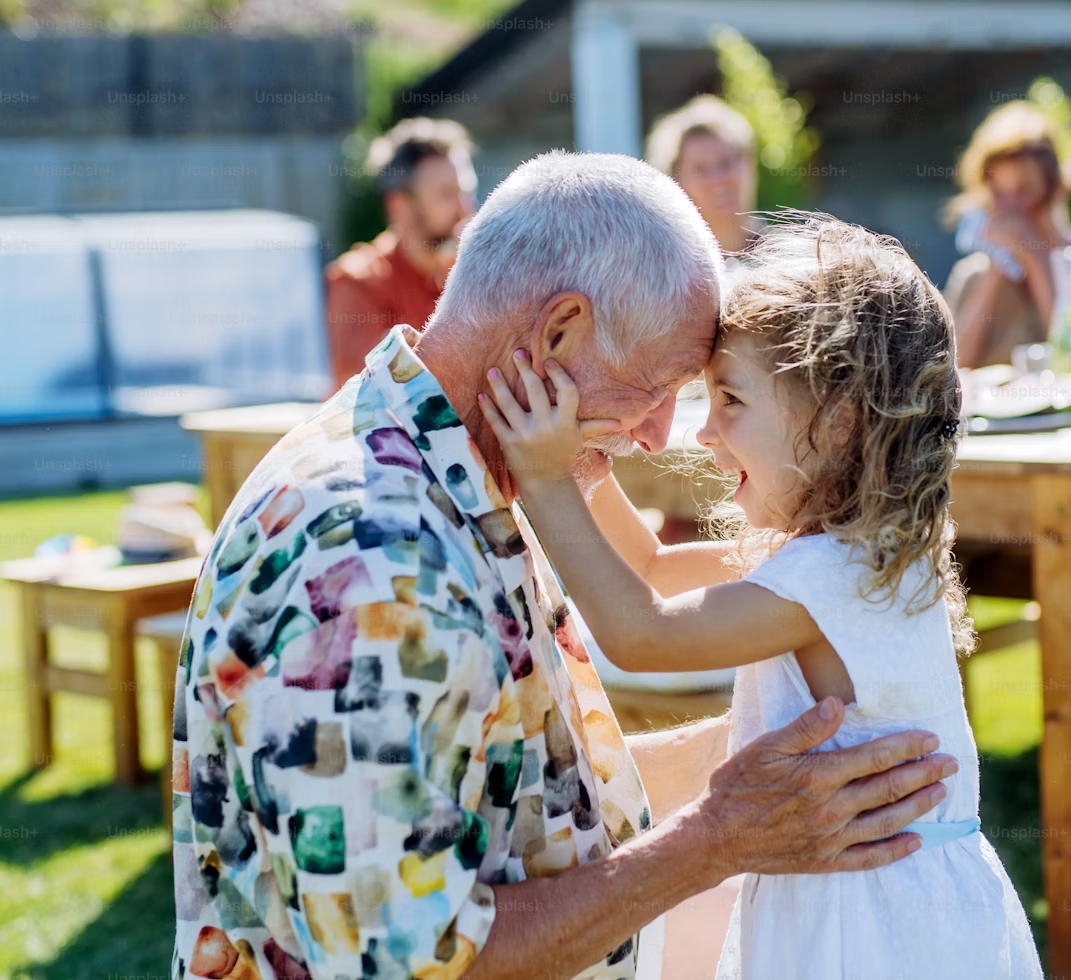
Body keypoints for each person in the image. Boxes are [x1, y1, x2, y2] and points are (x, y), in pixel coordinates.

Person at [171, 154, 956, 980]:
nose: (660, 436)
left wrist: (778, 750)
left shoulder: (454, 467)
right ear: (557, 334)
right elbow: (409, 963)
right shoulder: (372, 568)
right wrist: (713, 841)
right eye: (660, 387)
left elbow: (507, 792)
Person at [477, 216, 1044, 980]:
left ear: (836, 423)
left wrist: (541, 481)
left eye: (732, 402)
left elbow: (641, 632)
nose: (704, 434)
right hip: (883, 894)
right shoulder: (852, 552)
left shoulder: (829, 578)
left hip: (877, 919)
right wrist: (583, 462)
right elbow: (650, 564)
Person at [944, 100, 1071, 374]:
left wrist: (1035, 259)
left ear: (1058, 188)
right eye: (999, 194)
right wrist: (997, 268)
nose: (1010, 209)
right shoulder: (972, 275)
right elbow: (953, 374)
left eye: (1023, 190)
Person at [325, 117, 477, 387]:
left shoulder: (473, 276)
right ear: (400, 206)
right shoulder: (359, 281)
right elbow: (366, 395)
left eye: (467, 192)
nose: (464, 207)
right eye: (446, 194)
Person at [646, 95, 761, 259]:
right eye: (700, 170)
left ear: (750, 166)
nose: (717, 179)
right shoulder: (665, 269)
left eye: (726, 163)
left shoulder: (786, 257)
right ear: (675, 184)